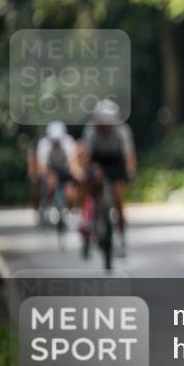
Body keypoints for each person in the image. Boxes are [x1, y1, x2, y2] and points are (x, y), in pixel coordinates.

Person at [81, 99, 137, 257]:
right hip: (97, 162)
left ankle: (122, 239)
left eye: (109, 124)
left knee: (118, 200)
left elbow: (129, 155)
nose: (106, 127)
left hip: (115, 162)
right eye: (103, 124)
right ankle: (91, 220)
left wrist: (131, 171)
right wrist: (88, 172)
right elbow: (86, 156)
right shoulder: (91, 130)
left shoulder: (122, 130)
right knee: (94, 183)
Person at [34, 121, 83, 218]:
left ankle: (71, 212)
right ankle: (46, 206)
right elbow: (42, 165)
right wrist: (47, 175)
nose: (56, 142)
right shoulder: (44, 144)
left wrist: (78, 173)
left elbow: (73, 162)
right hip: (50, 169)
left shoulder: (68, 142)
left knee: (70, 193)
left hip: (65, 169)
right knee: (51, 184)